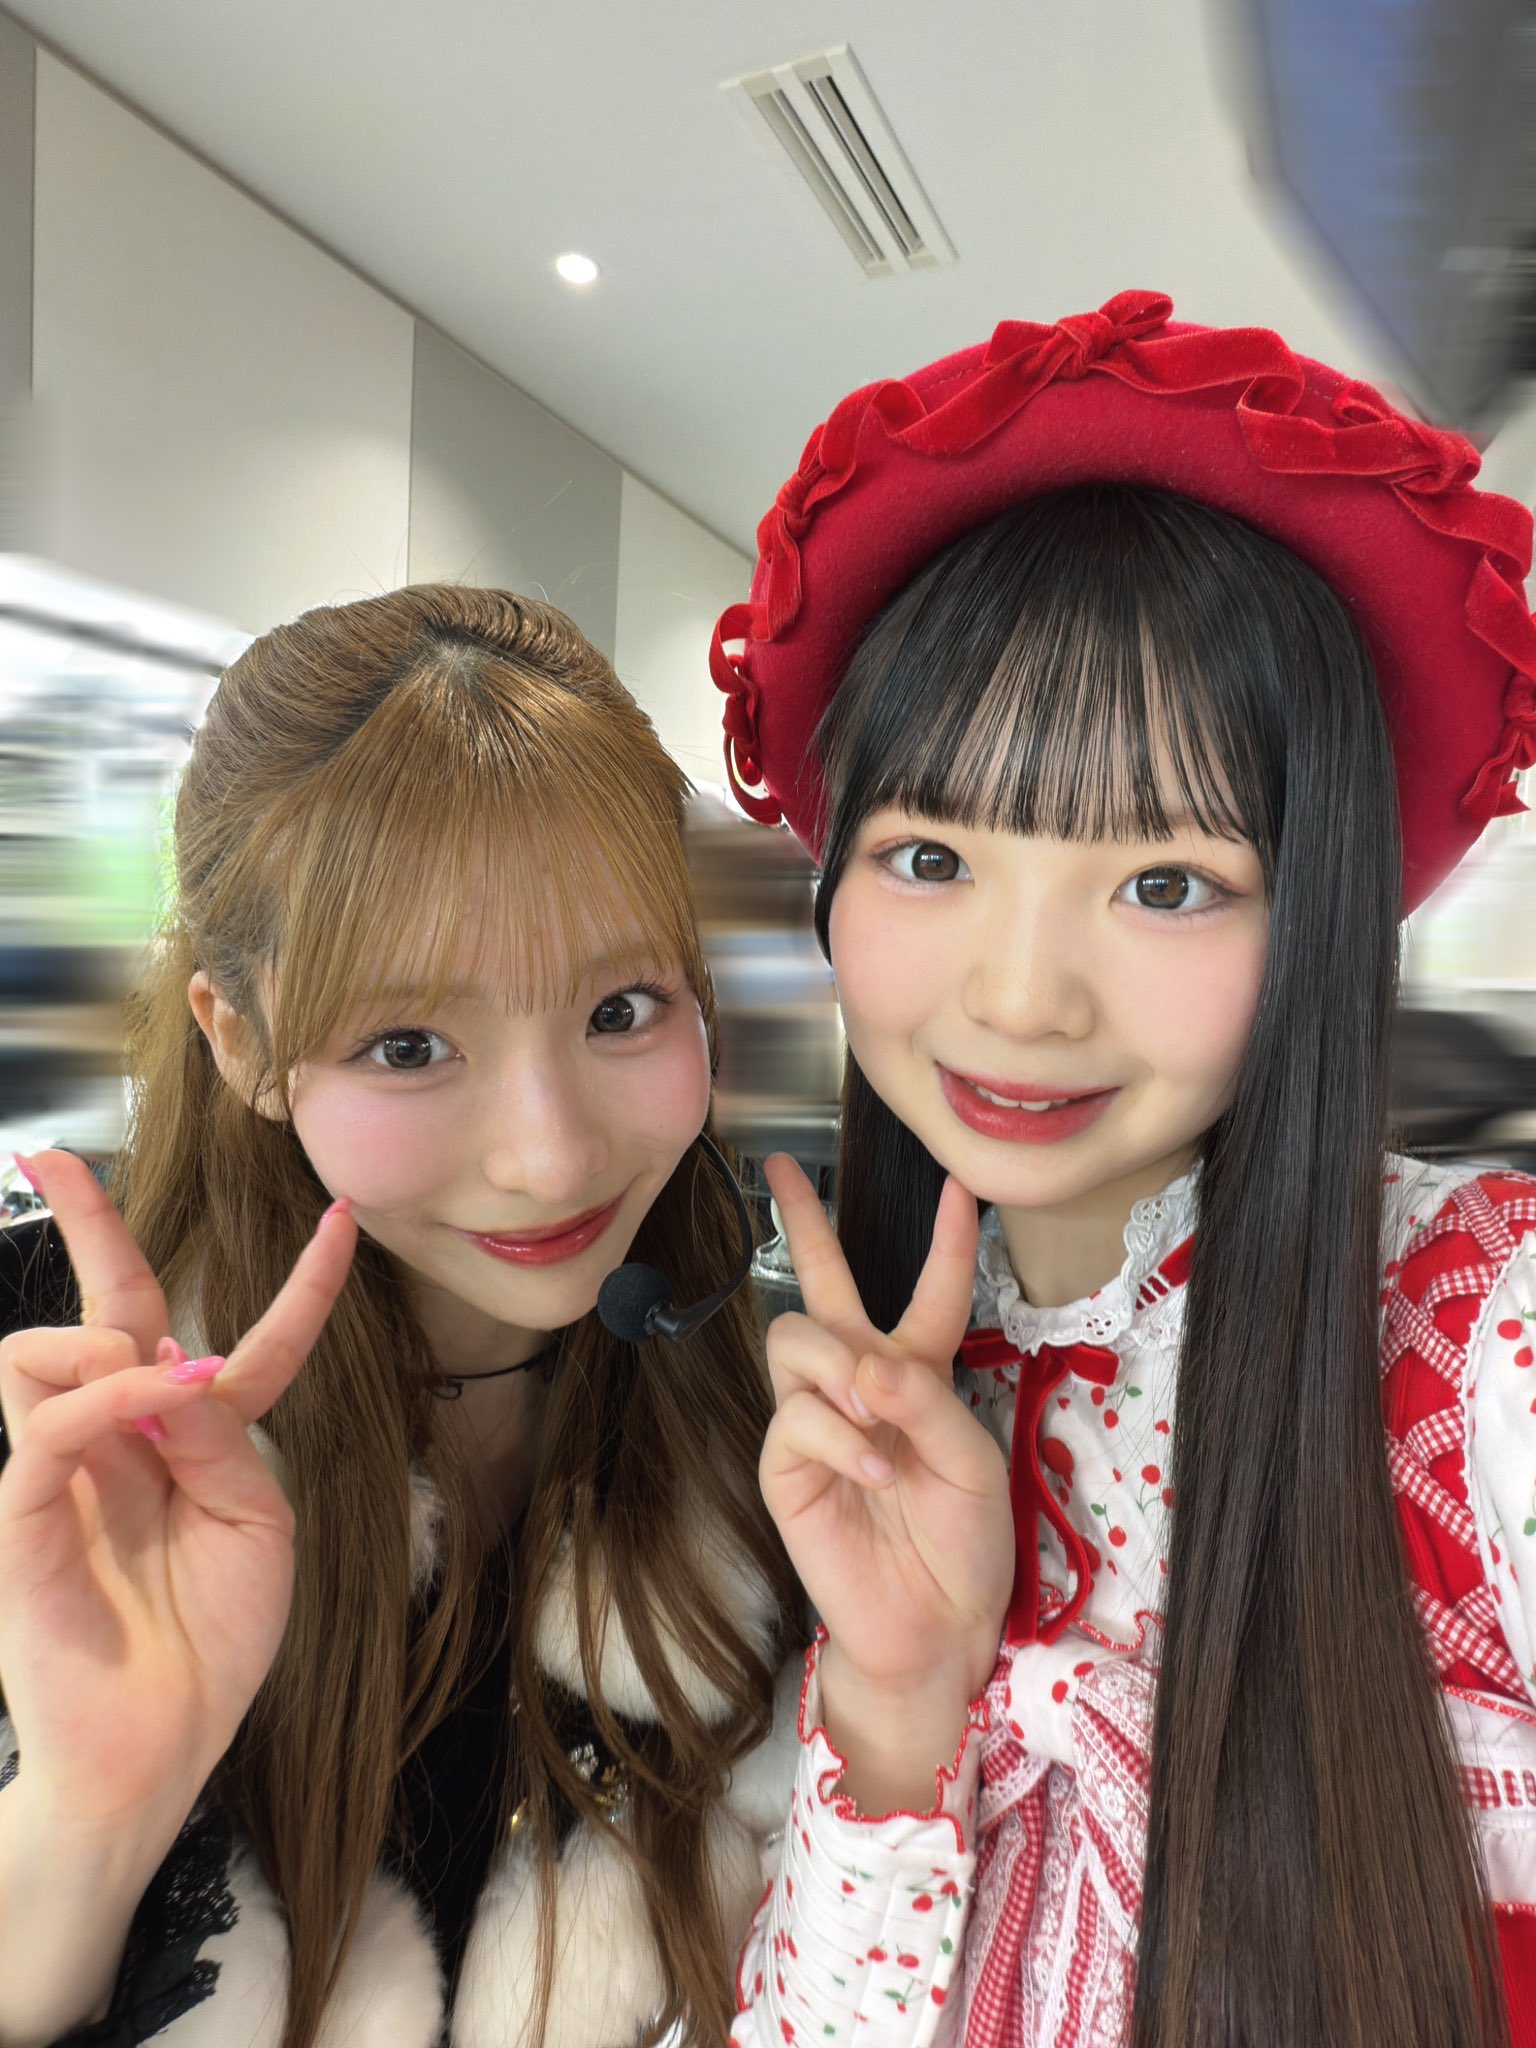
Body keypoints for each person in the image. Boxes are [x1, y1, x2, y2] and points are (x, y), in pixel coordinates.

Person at [711, 292, 1536, 2048]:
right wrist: (899, 1700)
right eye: (930, 856)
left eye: (1167, 884)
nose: (1020, 999)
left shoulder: (1486, 1342)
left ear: (1318, 911)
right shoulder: (832, 1417)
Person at [0, 584, 802, 2048]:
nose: (550, 1156)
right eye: (411, 1043)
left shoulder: (796, 1443)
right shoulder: (50, 1402)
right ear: (239, 1040)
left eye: (622, 1009)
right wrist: (87, 1819)